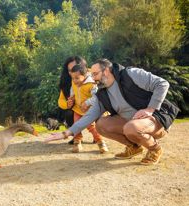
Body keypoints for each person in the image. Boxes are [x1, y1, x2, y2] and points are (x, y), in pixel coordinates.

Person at [46, 58, 179, 165]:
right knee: (101, 125)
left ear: (107, 71)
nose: (93, 78)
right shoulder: (102, 93)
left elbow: (162, 84)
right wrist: (67, 133)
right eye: (91, 74)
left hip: (156, 119)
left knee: (131, 127)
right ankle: (134, 147)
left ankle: (155, 149)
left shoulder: (130, 74)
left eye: (95, 74)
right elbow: (89, 116)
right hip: (132, 124)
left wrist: (150, 108)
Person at [67, 62, 109, 153]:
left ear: (85, 75)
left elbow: (96, 97)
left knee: (92, 127)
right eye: (72, 78)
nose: (74, 80)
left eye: (77, 78)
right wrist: (71, 98)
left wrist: (87, 103)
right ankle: (77, 142)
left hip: (89, 111)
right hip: (78, 109)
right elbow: (73, 89)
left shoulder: (91, 84)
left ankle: (100, 142)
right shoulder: (74, 82)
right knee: (76, 125)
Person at [58, 56, 86, 144]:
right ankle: (77, 136)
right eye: (69, 70)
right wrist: (67, 104)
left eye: (74, 68)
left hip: (93, 107)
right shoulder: (66, 81)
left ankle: (97, 137)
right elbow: (60, 101)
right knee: (69, 113)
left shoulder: (92, 75)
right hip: (77, 109)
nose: (72, 72)